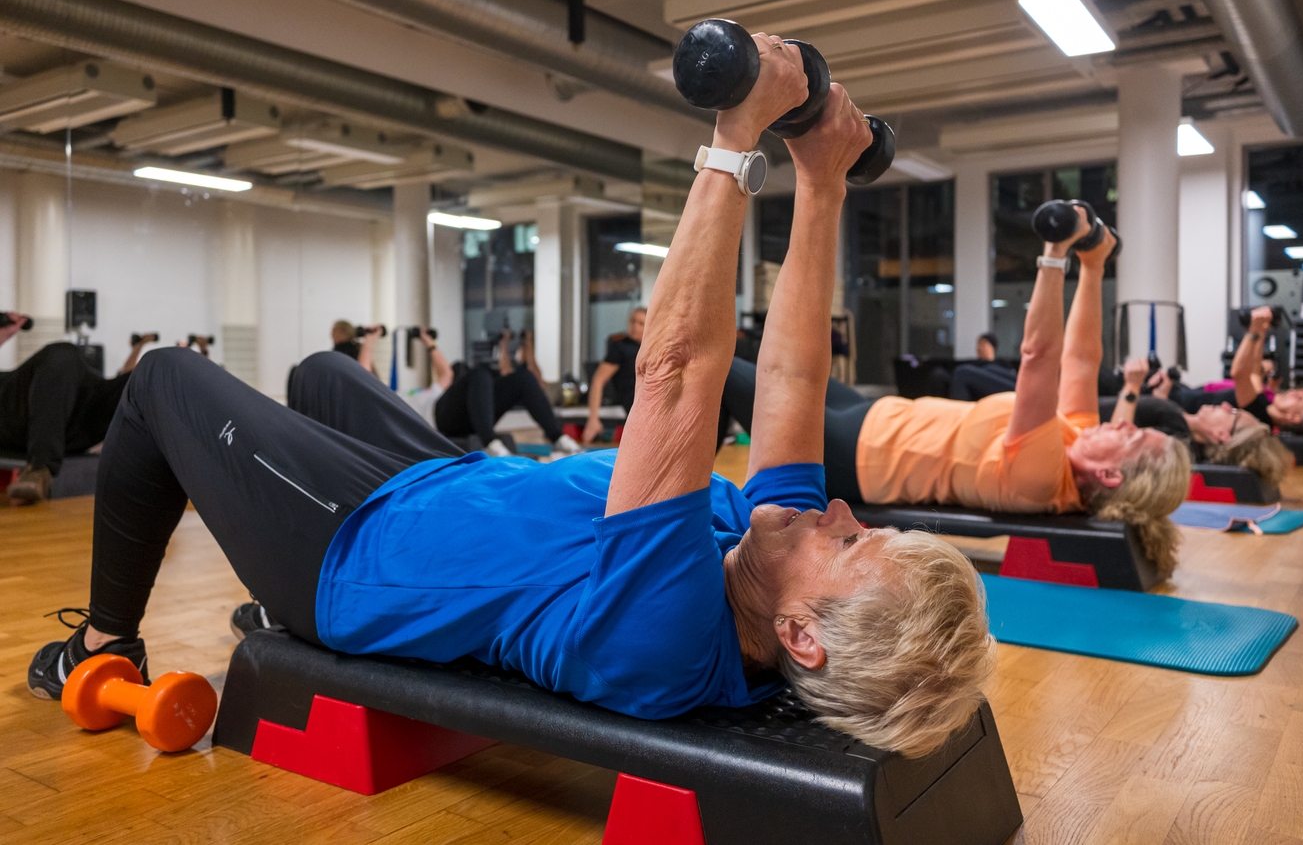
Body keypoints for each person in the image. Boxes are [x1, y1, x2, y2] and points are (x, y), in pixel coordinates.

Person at [28, 43, 993, 759]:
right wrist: (819, 185)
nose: (839, 510)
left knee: (160, 384)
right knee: (324, 374)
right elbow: (788, 379)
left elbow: (672, 375)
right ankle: (263, 547)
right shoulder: (764, 552)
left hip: (354, 557)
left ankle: (102, 643)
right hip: (435, 487)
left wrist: (736, 135)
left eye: (853, 544)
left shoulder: (670, 635)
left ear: (800, 639)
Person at [723, 208, 1192, 579]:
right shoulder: (1078, 439)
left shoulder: (1044, 478)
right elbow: (1082, 360)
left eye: (1134, 437)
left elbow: (1039, 357)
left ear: (1109, 475)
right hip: (876, 416)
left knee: (722, 368)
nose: (1127, 422)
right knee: (746, 367)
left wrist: (1055, 253)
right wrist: (1092, 267)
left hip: (854, 456)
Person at [0, 315, 154, 504]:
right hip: (17, 414)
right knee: (63, 352)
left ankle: (188, 462)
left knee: (152, 372)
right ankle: (40, 469)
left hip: (74, 416)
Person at [1102, 357, 1292, 487]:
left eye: (1233, 412)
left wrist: (1131, 386)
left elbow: (1115, 445)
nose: (1226, 405)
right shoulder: (1183, 425)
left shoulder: (1177, 441)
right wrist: (1159, 397)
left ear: (1222, 435)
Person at [1150, 306, 1303, 435]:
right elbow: (1254, 373)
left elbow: (1239, 373)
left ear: (1293, 418)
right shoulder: (1264, 406)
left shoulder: (1258, 417)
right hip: (1183, 393)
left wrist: (1253, 330)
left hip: (1174, 403)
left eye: (1302, 399)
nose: (1298, 392)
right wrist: (1263, 330)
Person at [433, 328, 583, 458]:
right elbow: (447, 371)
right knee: (479, 373)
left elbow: (504, 371)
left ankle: (558, 439)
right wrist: (428, 342)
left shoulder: (453, 384)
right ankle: (490, 444)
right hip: (443, 419)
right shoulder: (420, 397)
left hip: (477, 417)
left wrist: (506, 342)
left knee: (523, 377)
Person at [583, 307, 646, 444]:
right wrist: (593, 419)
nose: (635, 326)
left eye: (641, 323)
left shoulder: (653, 348)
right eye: (633, 321)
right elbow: (598, 380)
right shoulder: (620, 347)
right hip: (634, 401)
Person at [946, 333, 1018, 401]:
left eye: (982, 344)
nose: (978, 348)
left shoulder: (1002, 362)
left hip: (1013, 388)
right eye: (978, 345)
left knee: (989, 368)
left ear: (992, 347)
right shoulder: (973, 364)